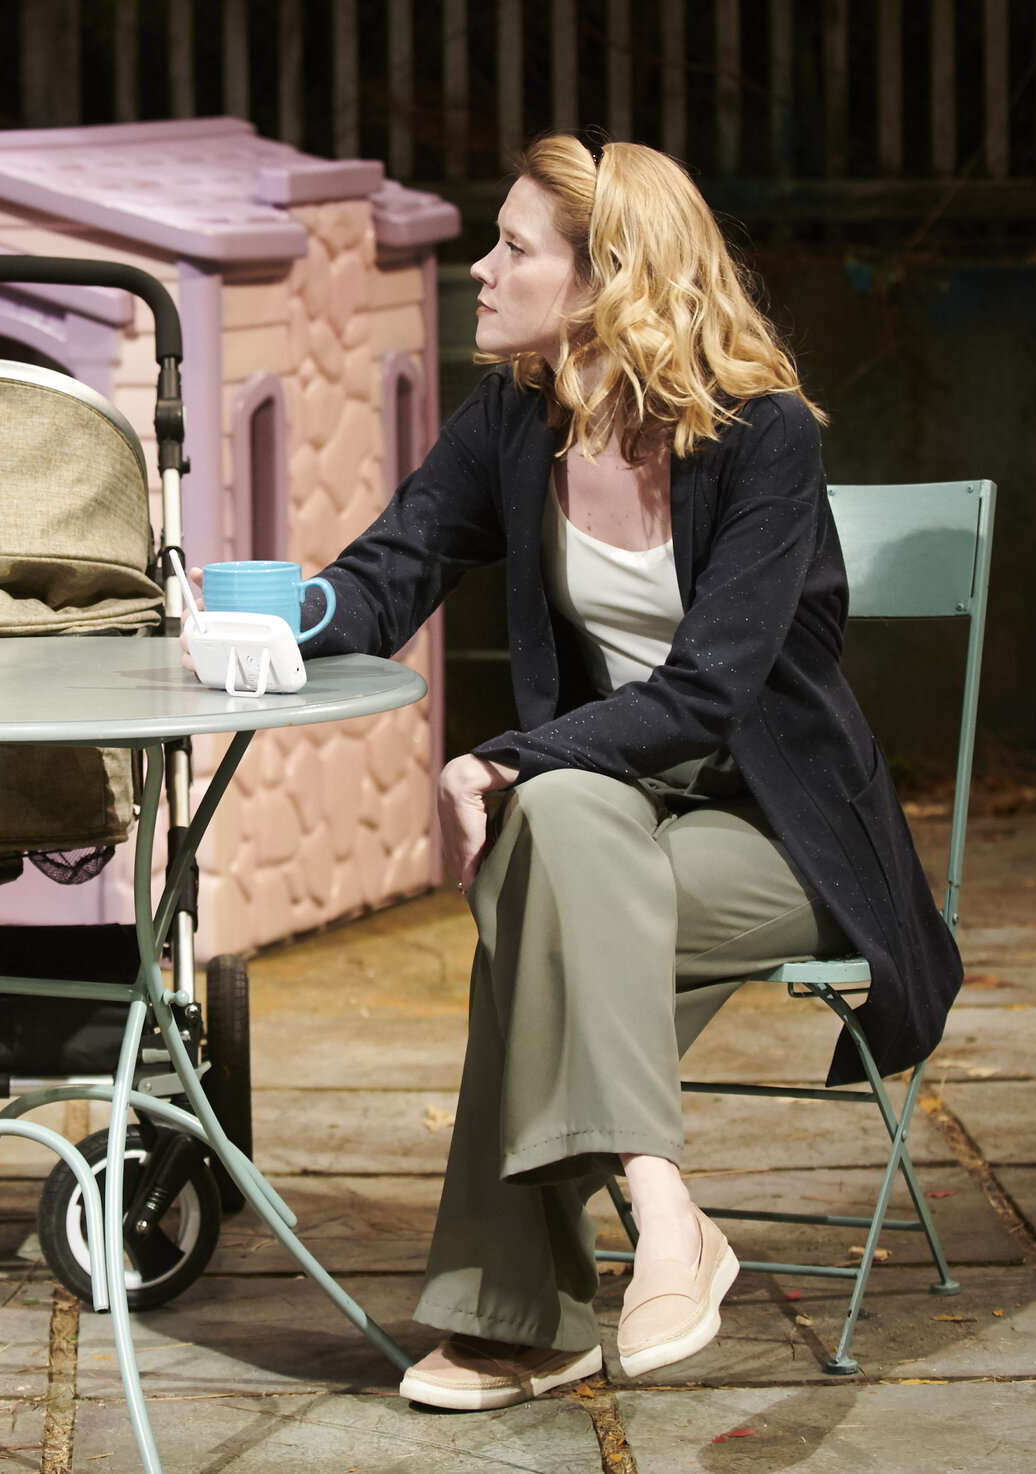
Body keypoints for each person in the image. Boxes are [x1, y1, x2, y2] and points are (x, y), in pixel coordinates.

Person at [293, 133, 961, 1409]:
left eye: (513, 248)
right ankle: (667, 1214)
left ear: (605, 280)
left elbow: (709, 692)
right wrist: (273, 623)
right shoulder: (517, 418)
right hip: (610, 814)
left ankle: (523, 1321)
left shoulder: (762, 438)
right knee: (557, 832)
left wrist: (503, 756)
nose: (479, 270)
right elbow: (395, 565)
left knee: (536, 881)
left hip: (783, 836)